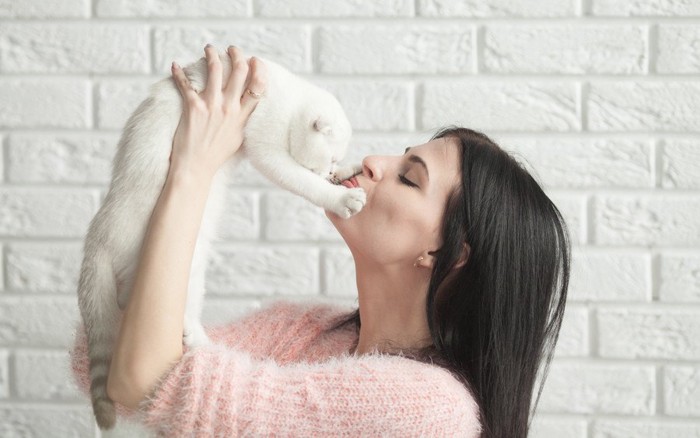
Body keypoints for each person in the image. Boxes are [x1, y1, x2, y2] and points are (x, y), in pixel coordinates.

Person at [70, 44, 571, 438]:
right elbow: (111, 367)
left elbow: (145, 378)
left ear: (444, 254)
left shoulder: (429, 409)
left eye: (409, 178)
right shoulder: (304, 330)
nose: (374, 161)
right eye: (401, 155)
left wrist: (194, 167)